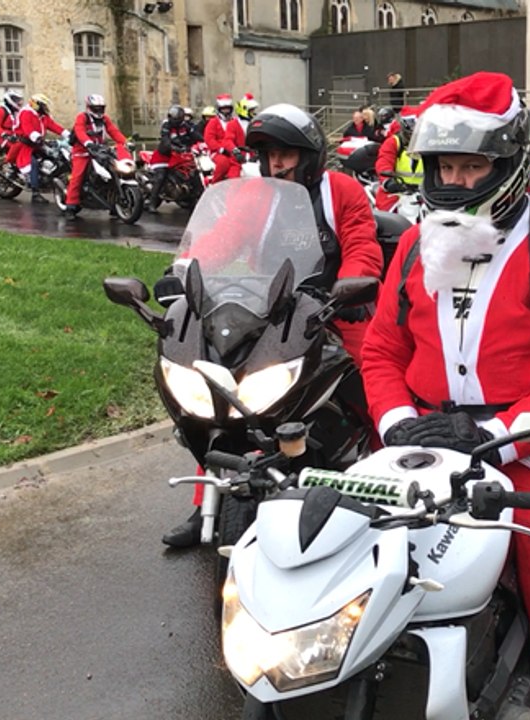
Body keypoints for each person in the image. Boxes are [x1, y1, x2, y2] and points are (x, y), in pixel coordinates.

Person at [361, 71, 530, 720]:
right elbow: (381, 351)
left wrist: (496, 437)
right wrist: (396, 423)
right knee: (350, 579)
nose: (452, 181)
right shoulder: (416, 246)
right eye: (443, 164)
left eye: (471, 166)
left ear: (508, 164)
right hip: (421, 444)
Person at [162, 102, 384, 548]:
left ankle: (382, 484)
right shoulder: (254, 196)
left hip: (335, 307)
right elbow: (220, 238)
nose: (277, 163)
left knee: (374, 383)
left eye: (287, 153)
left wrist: (350, 289)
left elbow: (362, 243)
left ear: (311, 156)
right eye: (270, 154)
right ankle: (207, 503)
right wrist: (184, 270)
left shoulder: (341, 191)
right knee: (217, 395)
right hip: (269, 310)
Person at [64, 94, 131, 218]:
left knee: (113, 171)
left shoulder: (105, 119)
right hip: (82, 152)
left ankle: (114, 202)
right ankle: (70, 206)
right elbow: (79, 131)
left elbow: (113, 131)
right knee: (77, 177)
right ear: (89, 107)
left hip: (100, 151)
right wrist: (88, 143)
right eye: (96, 108)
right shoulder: (82, 117)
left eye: (101, 108)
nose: (99, 111)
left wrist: (125, 142)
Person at [147, 105, 203, 211]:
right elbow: (165, 140)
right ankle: (152, 202)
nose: (175, 120)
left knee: (193, 170)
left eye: (177, 118)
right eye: (174, 118)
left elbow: (195, 134)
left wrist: (205, 142)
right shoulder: (166, 126)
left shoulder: (185, 125)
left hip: (181, 154)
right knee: (161, 176)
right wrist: (173, 147)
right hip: (164, 156)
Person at [373, 106, 420, 211]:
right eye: (413, 123)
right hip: (399, 193)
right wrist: (388, 182)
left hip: (426, 193)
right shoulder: (394, 142)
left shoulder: (429, 144)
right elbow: (384, 161)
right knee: (389, 221)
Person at [204, 94, 244, 184]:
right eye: (223, 109)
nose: (226, 111)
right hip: (217, 152)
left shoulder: (235, 122)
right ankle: (215, 183)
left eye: (228, 109)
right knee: (223, 163)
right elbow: (209, 139)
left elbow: (240, 138)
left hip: (233, 152)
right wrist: (221, 149)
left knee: (239, 165)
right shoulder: (213, 122)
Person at [0, 89, 23, 156]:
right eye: (16, 100)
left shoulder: (15, 111)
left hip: (15, 137)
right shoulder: (0, 111)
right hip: (5, 139)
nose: (18, 102)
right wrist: (5, 135)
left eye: (18, 100)